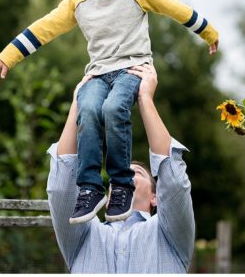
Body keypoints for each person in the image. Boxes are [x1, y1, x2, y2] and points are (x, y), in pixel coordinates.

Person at [0, 0, 218, 224]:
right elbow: (44, 28)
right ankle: (90, 187)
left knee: (113, 108)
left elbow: (175, 8)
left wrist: (208, 32)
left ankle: (121, 184)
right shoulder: (78, 2)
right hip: (97, 73)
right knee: (89, 108)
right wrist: (7, 57)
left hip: (134, 68)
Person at [48, 63, 195, 272]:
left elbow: (174, 184)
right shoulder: (82, 235)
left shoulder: (170, 235)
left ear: (155, 197)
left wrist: (145, 99)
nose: (125, 176)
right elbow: (61, 187)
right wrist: (78, 103)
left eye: (136, 173)